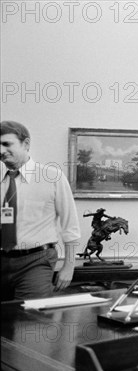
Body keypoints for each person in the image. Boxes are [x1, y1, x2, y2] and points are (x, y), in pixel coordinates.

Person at [1, 121, 81, 301]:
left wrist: (69, 267)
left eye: (7, 144)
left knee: (31, 319)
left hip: (36, 260)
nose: (1, 150)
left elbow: (70, 226)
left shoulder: (52, 177)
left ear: (26, 144)